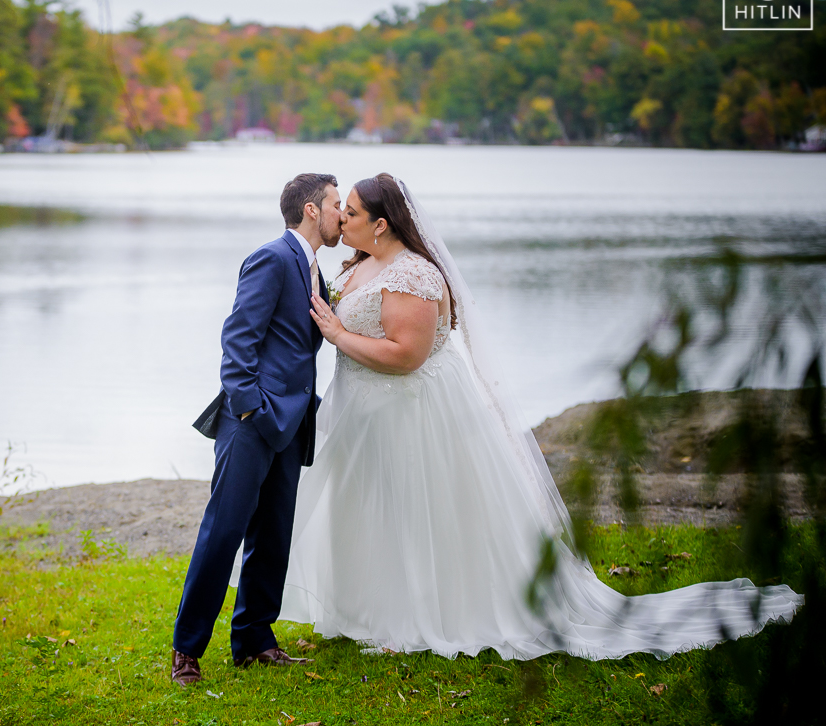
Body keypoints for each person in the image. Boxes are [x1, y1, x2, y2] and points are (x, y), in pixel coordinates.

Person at [278, 172, 802, 660]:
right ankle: (370, 610)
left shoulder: (414, 273)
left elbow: (407, 355)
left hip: (412, 412)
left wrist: (339, 335)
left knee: (418, 510)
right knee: (375, 509)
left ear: (381, 223)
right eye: (339, 210)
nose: (340, 220)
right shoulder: (359, 264)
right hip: (366, 410)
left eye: (348, 212)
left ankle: (425, 615)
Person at [171, 173, 342, 685]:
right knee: (222, 532)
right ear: (312, 211)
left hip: (292, 423)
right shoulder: (272, 258)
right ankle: (186, 650)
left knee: (273, 534)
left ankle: (253, 639)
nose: (342, 214)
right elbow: (237, 339)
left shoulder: (311, 267)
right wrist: (249, 410)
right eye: (337, 204)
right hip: (253, 421)